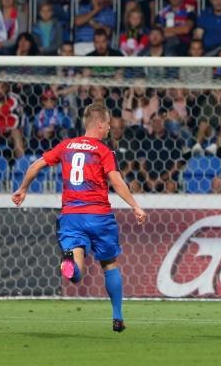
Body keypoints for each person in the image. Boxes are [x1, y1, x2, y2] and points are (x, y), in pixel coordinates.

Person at [11, 103, 148, 332]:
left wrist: (23, 188)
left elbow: (36, 165)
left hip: (71, 216)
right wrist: (135, 205)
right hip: (99, 216)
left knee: (76, 274)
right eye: (108, 125)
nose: (109, 129)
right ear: (100, 124)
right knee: (109, 263)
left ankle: (69, 265)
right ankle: (117, 316)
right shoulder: (103, 150)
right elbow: (116, 181)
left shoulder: (66, 146)